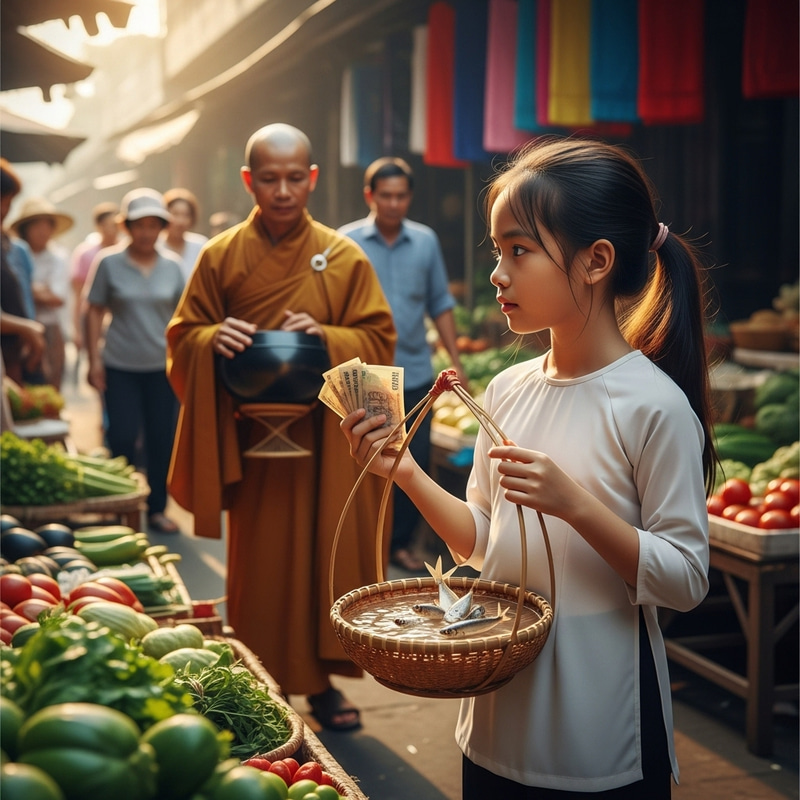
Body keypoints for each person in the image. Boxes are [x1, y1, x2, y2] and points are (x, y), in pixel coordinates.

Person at [341, 138, 716, 798]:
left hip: (602, 734)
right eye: (497, 250)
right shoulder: (508, 389)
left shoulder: (654, 407)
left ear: (596, 260)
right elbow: (480, 541)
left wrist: (576, 505)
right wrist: (405, 473)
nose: (498, 272)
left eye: (520, 250)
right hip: (494, 716)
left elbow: (685, 581)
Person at [166, 123, 396, 731]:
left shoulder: (344, 257)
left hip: (324, 441)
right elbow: (183, 335)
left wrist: (326, 336)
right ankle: (262, 679)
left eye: (296, 178)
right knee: (260, 568)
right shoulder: (220, 256)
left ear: (313, 178)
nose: (284, 190)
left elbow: (378, 342)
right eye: (270, 179)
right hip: (253, 440)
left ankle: (319, 687)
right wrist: (213, 338)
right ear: (249, 180)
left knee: (326, 559)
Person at [339, 157, 468, 572]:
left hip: (416, 371)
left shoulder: (425, 241)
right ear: (369, 195)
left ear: (409, 196)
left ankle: (399, 545)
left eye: (401, 196)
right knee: (367, 457)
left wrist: (456, 362)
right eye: (386, 196)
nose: (394, 203)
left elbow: (440, 304)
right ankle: (365, 541)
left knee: (416, 456)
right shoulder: (346, 241)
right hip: (366, 375)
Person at [84, 188, 185, 534]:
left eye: (152, 225)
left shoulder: (173, 266)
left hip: (162, 368)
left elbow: (183, 317)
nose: (146, 232)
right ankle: (121, 506)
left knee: (161, 438)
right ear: (126, 226)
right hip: (119, 364)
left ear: (161, 227)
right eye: (138, 225)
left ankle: (156, 508)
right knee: (122, 436)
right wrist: (93, 359)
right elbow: (94, 310)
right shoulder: (108, 262)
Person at [9, 197, 74, 390]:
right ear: (25, 229)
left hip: (50, 328)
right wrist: (37, 290)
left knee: (50, 384)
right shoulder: (14, 254)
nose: (42, 231)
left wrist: (25, 289)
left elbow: (56, 297)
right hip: (17, 328)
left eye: (47, 225)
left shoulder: (58, 258)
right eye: (37, 225)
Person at [0, 160, 45, 385]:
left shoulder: (10, 245)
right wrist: (27, 329)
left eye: (7, 203)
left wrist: (28, 330)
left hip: (11, 353)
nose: (2, 210)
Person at [69, 202, 120, 356]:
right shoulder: (86, 254)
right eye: (108, 225)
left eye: (115, 225)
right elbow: (78, 295)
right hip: (92, 320)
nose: (113, 229)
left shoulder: (127, 253)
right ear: (99, 226)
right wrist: (77, 330)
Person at [161, 188, 208, 280]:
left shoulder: (201, 246)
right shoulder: (153, 247)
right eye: (175, 214)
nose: (180, 221)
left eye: (186, 215)